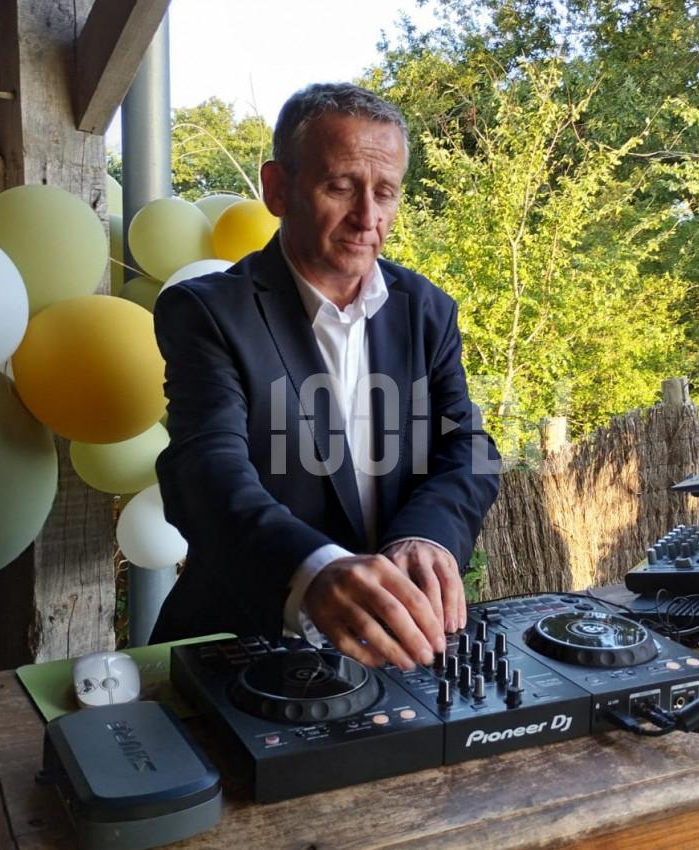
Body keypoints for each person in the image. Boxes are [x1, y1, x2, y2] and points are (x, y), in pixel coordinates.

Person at [149, 83, 500, 670]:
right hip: (245, 643)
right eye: (341, 187)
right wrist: (311, 569)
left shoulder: (427, 309)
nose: (368, 218)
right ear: (277, 188)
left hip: (405, 644)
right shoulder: (206, 312)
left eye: (385, 192)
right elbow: (204, 469)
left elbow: (470, 445)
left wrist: (429, 535)